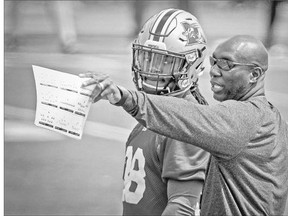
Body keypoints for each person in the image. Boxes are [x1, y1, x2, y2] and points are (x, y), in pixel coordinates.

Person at [80, 35, 288, 215]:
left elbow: (188, 116)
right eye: (214, 62)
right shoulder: (273, 119)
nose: (214, 71)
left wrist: (124, 97)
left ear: (254, 75)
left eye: (226, 64)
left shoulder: (245, 118)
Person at [83, 8, 210, 215]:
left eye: (164, 61)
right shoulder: (156, 111)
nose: (151, 69)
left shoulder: (184, 124)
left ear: (191, 64)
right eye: (147, 57)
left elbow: (182, 207)